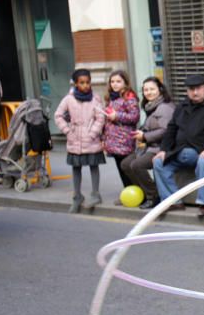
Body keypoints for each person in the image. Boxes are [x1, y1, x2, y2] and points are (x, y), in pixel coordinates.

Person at [153, 74, 204, 219]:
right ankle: (173, 201)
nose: (195, 92)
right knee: (158, 162)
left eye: (198, 88)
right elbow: (171, 129)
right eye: (191, 89)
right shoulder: (181, 106)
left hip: (203, 151)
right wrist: (163, 150)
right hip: (180, 151)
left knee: (203, 161)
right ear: (187, 91)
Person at [54, 69, 105, 213]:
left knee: (93, 166)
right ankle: (77, 196)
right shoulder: (68, 99)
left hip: (91, 139)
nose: (85, 85)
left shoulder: (96, 98)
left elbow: (100, 117)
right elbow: (58, 115)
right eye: (82, 83)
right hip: (74, 139)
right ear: (76, 83)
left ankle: (96, 194)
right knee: (76, 168)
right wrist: (68, 132)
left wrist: (93, 133)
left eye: (88, 82)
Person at [121, 77, 174, 210]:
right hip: (149, 146)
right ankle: (144, 193)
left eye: (152, 89)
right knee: (126, 164)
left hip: (161, 148)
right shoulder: (150, 106)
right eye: (146, 90)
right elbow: (150, 125)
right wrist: (140, 133)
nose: (148, 92)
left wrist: (145, 136)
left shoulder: (165, 107)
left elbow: (166, 130)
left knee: (137, 165)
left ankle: (153, 196)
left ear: (160, 90)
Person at [101, 69, 140, 199]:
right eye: (112, 81)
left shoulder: (129, 96)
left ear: (125, 82)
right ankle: (128, 195)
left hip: (124, 139)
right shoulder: (111, 97)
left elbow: (134, 117)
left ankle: (137, 194)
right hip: (113, 139)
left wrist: (116, 115)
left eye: (118, 81)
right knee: (120, 168)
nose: (115, 84)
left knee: (127, 168)